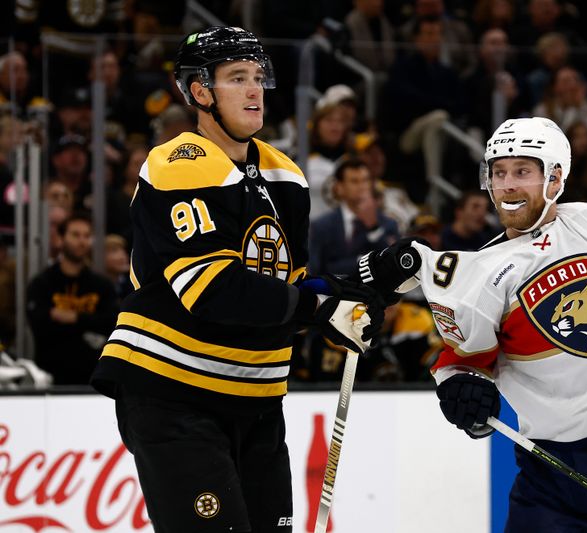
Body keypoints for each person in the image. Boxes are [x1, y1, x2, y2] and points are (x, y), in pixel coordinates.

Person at [90, 26, 385, 533]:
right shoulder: (178, 163)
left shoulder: (285, 175)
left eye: (258, 77)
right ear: (200, 92)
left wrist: (352, 292)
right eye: (237, 78)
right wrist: (315, 309)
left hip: (257, 400)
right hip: (175, 392)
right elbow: (215, 289)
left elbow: (283, 291)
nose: (255, 91)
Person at [363, 117, 587, 531]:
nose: (508, 184)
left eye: (522, 171)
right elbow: (461, 364)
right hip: (553, 464)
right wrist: (461, 390)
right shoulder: (478, 274)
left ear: (554, 177)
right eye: (498, 173)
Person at [26, 212, 118, 385]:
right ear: (61, 238)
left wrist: (73, 317)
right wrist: (88, 324)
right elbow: (39, 322)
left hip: (93, 376)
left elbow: (112, 323)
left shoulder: (102, 285)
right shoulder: (42, 283)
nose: (82, 241)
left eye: (86, 236)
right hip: (50, 377)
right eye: (75, 235)